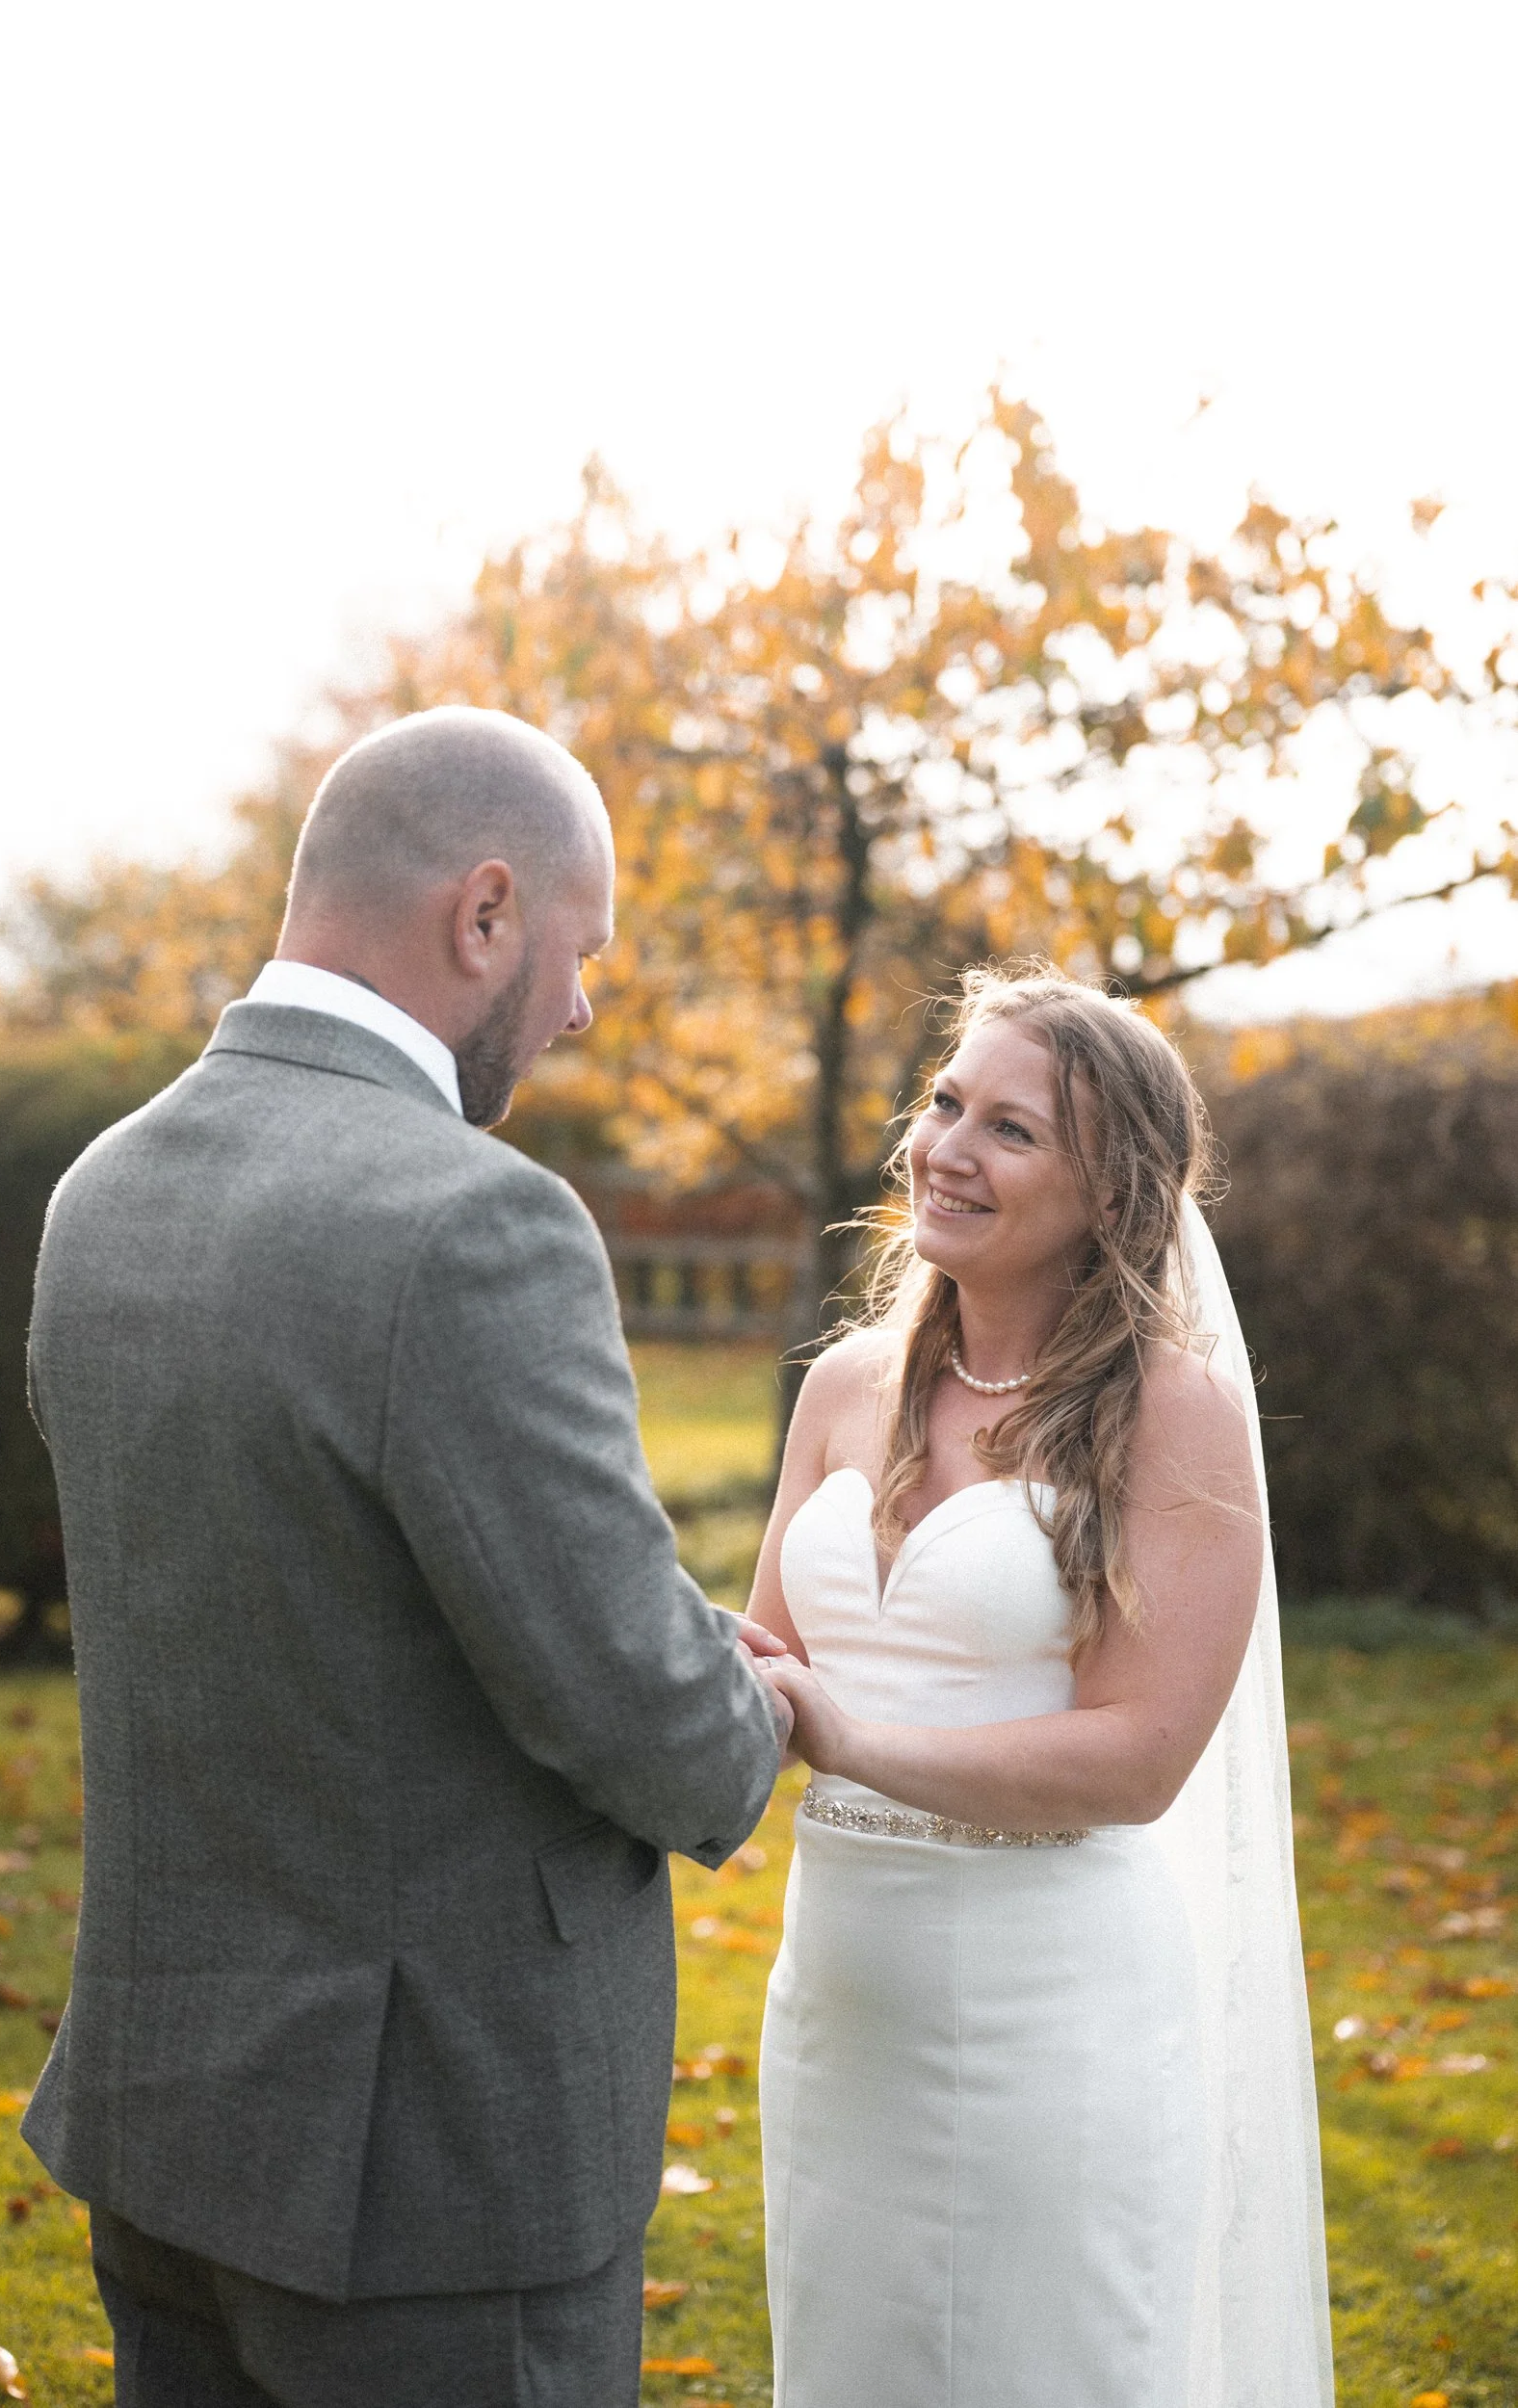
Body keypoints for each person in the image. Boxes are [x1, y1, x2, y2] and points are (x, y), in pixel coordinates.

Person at [21, 705, 791, 2408]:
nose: (581, 1004)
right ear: (487, 912)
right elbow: (631, 1704)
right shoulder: (473, 1222)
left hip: (167, 2113)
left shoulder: (101, 1196)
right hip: (431, 2171)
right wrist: (750, 1705)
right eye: (579, 951)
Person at [749, 965, 1333, 2408]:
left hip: (1053, 2013)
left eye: (1010, 1130)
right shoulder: (840, 1389)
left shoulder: (1170, 1409)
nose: (945, 1147)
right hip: (840, 2005)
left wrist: (854, 1738)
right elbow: (766, 1668)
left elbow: (1136, 1757)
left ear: (1111, 1193)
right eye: (946, 1102)